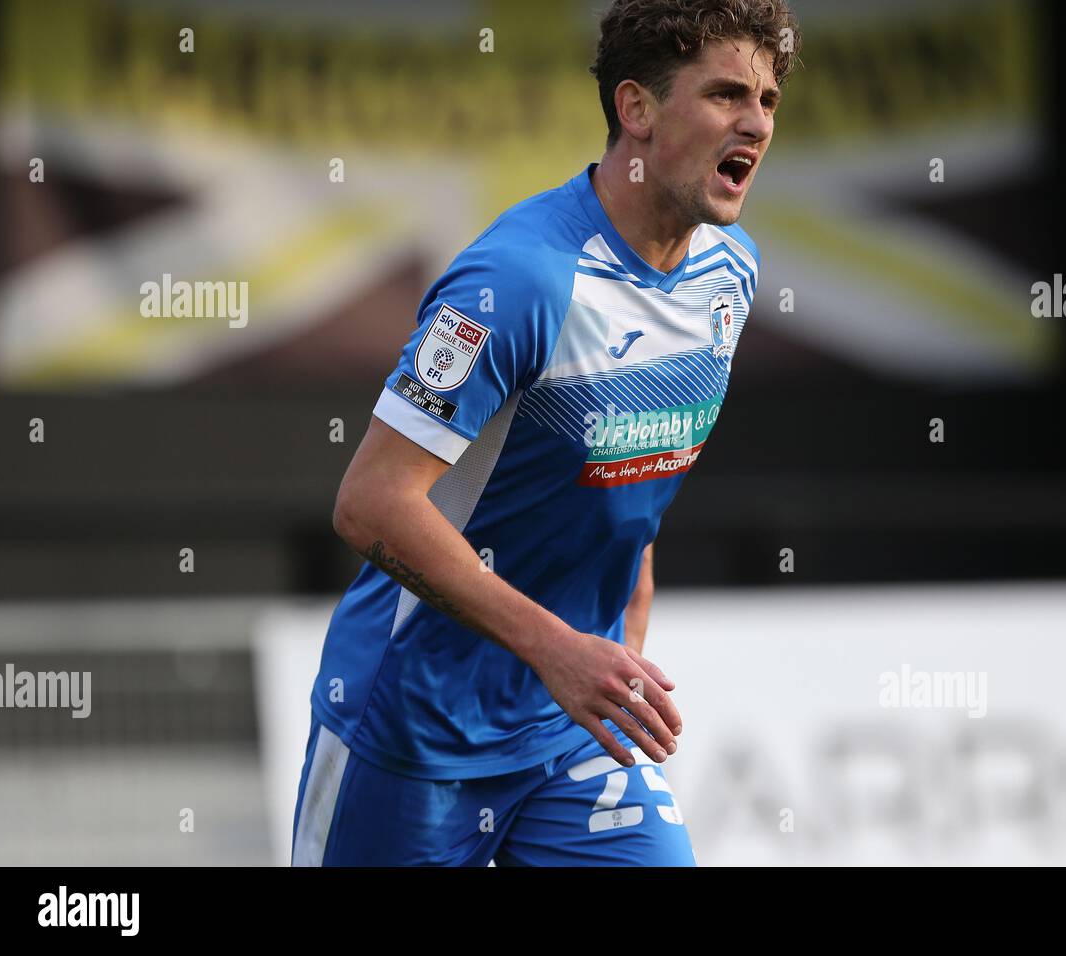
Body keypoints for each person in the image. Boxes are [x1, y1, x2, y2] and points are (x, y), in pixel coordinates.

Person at [292, 0, 798, 866]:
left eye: (769, 100)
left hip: (568, 731)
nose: (756, 121)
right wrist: (557, 649)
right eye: (724, 94)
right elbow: (370, 503)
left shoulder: (729, 272)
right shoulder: (516, 280)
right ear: (635, 109)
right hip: (413, 729)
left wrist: (620, 636)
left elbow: (631, 478)